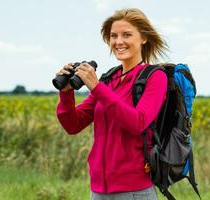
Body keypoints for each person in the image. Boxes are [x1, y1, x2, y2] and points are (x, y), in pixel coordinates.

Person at [56, 8, 168, 200]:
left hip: (134, 191)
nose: (118, 42)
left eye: (127, 35)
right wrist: (66, 93)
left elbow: (137, 123)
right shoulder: (110, 80)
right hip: (98, 190)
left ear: (143, 38)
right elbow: (73, 125)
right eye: (113, 36)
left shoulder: (155, 77)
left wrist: (97, 87)